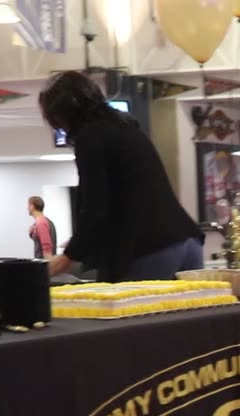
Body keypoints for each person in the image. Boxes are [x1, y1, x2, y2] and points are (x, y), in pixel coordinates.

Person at [39, 71, 202, 282]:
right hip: (186, 241)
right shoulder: (125, 125)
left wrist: (67, 257)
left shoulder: (90, 136)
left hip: (147, 249)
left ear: (63, 113)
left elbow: (95, 207)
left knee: (129, 314)